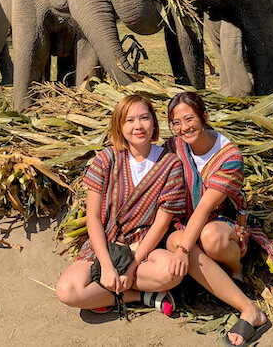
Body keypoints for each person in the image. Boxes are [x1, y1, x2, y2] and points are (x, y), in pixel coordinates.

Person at [56, 94, 185, 316]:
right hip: (106, 244)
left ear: (154, 122)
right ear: (119, 125)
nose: (138, 126)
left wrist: (131, 266)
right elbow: (94, 218)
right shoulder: (106, 159)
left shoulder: (170, 163)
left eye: (144, 118)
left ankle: (105, 295)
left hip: (144, 247)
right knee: (67, 291)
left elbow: (161, 224)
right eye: (130, 120)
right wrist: (107, 266)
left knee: (171, 273)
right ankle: (141, 295)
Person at [164, 91, 273, 347]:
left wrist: (183, 250)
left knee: (209, 239)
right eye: (176, 122)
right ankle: (248, 308)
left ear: (204, 116)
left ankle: (235, 270)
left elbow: (204, 208)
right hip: (186, 222)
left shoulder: (229, 156)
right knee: (178, 239)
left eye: (189, 119)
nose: (183, 128)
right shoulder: (175, 146)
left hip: (222, 223)